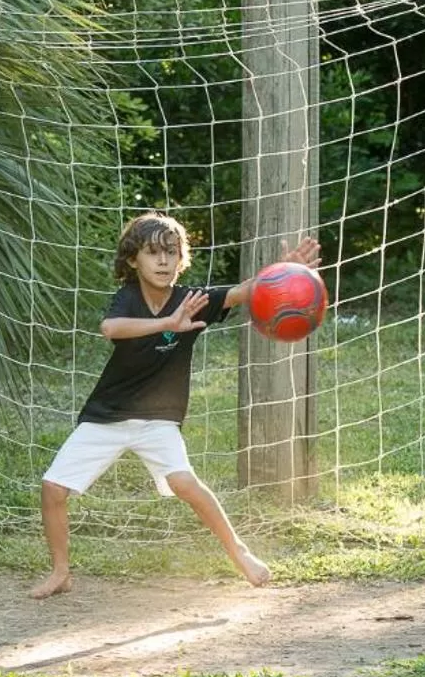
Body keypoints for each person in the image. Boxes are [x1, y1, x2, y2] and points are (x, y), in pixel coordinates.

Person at [33, 212, 320, 600]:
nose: (163, 260)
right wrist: (168, 323)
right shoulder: (129, 297)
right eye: (153, 253)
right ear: (133, 260)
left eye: (171, 252)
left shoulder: (192, 300)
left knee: (184, 482)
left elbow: (242, 292)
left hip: (159, 417)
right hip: (109, 414)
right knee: (53, 488)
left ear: (181, 259)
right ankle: (61, 572)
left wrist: (286, 274)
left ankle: (240, 553)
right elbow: (111, 329)